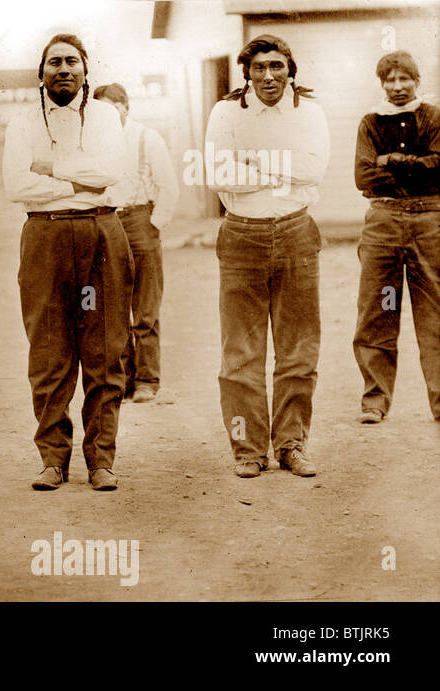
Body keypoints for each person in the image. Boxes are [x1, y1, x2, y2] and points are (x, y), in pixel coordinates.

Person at [1, 33, 130, 492]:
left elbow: (109, 174)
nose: (63, 70)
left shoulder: (105, 115)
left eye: (72, 62)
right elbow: (17, 185)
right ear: (41, 73)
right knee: (49, 352)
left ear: (85, 70)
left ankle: (101, 460)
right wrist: (78, 182)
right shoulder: (21, 122)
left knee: (105, 349)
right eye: (53, 63)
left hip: (101, 234)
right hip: (45, 236)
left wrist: (51, 168)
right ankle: (53, 459)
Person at [205, 34, 329, 479]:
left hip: (296, 233)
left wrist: (252, 163)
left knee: (298, 349)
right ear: (247, 73)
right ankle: (247, 448)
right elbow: (217, 173)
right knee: (240, 352)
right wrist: (282, 169)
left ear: (290, 69)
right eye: (259, 68)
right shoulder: (226, 111)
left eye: (277, 66)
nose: (268, 75)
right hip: (241, 236)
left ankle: (292, 444)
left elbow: (313, 169)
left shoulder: (308, 111)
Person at [352, 50, 440, 425]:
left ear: (417, 81)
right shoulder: (371, 122)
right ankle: (375, 399)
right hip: (384, 224)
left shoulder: (434, 117)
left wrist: (396, 162)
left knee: (434, 313)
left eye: (405, 79)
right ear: (382, 83)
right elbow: (364, 178)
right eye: (390, 79)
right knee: (379, 310)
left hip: (429, 224)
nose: (397, 86)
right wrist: (416, 171)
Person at [93, 82, 179, 403]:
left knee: (145, 305)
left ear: (125, 107)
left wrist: (153, 225)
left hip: (141, 219)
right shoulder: (95, 142)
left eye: (112, 108)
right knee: (112, 305)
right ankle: (123, 379)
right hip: (107, 220)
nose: (107, 116)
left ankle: (147, 380)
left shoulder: (146, 138)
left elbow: (168, 185)